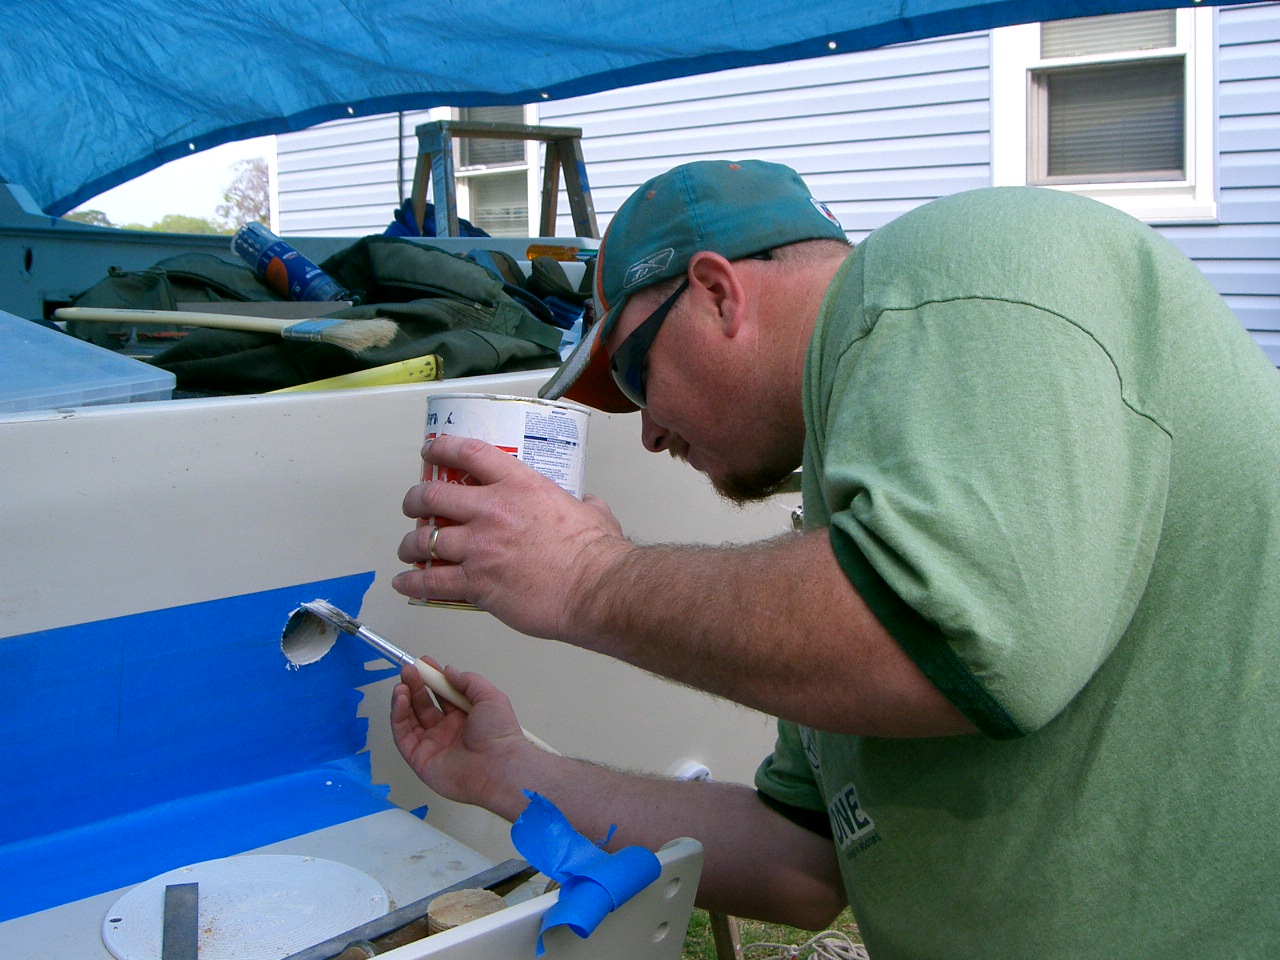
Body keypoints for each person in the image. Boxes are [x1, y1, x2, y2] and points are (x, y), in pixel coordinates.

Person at [391, 160, 1280, 958]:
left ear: (715, 295)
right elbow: (802, 862)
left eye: (634, 377)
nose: (651, 431)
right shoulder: (855, 513)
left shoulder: (960, 267)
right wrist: (517, 774)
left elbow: (948, 642)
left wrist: (586, 575)